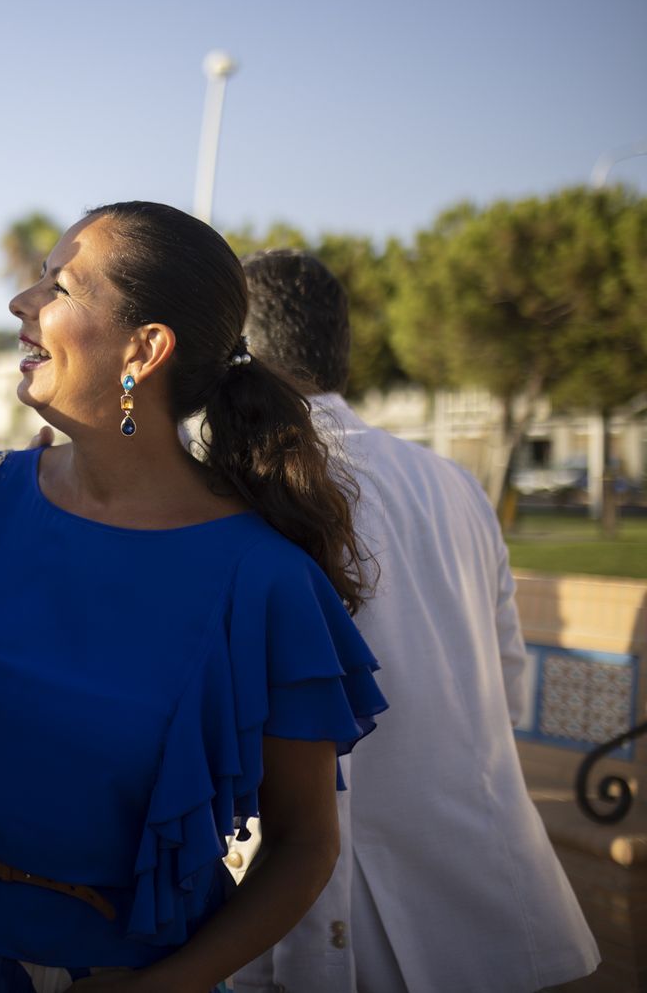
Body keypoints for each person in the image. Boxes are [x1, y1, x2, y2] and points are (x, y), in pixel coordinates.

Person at [0, 202, 388, 993]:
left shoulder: (264, 580)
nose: (20, 303)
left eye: (59, 286)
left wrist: (161, 987)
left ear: (145, 348)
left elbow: (306, 845)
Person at [231, 249, 598, 993]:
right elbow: (508, 681)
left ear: (238, 350)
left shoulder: (254, 486)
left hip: (349, 911)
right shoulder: (456, 484)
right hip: (501, 894)